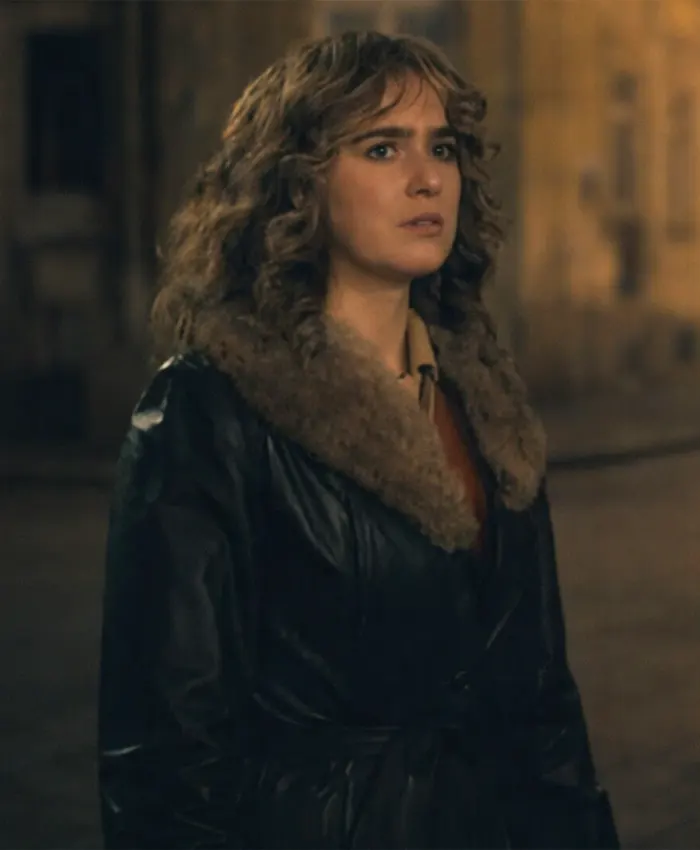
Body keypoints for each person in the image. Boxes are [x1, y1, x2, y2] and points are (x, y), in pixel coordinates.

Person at [97, 30, 620, 850]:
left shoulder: (487, 404)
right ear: (298, 182)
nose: (427, 178)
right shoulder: (209, 412)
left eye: (441, 147)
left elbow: (547, 707)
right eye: (382, 148)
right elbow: (166, 766)